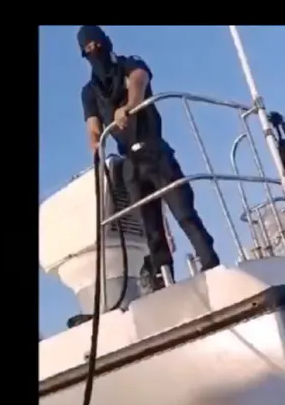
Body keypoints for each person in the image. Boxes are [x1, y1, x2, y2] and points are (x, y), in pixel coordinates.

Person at [77, 25, 220, 288]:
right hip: (128, 163)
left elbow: (139, 80)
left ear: (105, 42)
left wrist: (129, 107)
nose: (93, 51)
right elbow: (93, 127)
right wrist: (97, 142)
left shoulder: (130, 63)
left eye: (96, 45)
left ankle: (211, 265)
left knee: (184, 212)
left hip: (154, 151)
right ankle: (163, 280)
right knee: (150, 228)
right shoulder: (89, 91)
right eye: (87, 49)